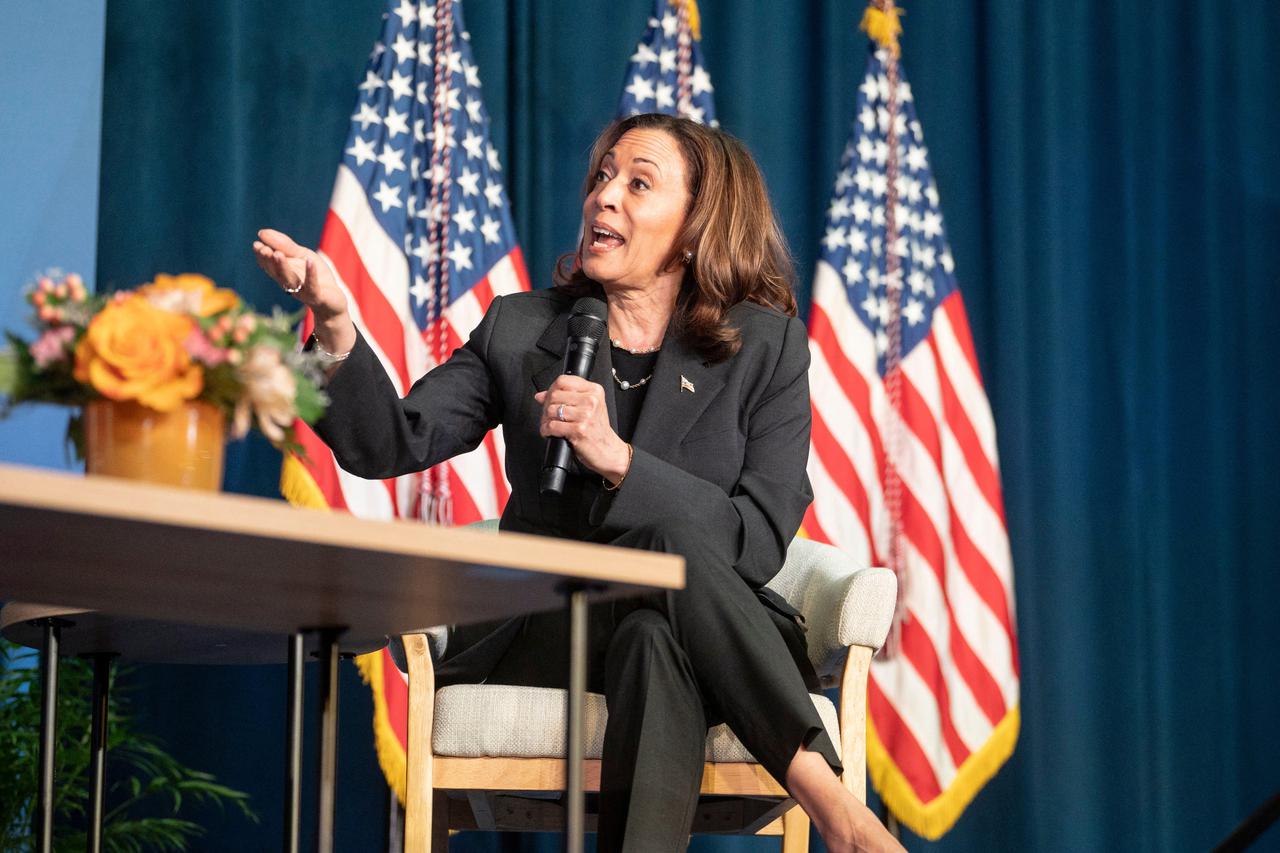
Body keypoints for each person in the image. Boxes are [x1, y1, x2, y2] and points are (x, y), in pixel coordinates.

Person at [253, 112, 904, 853]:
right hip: (548, 622)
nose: (604, 197)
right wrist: (336, 324)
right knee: (662, 567)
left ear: (697, 225)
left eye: (638, 183)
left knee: (655, 633)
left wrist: (619, 458)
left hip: (704, 627)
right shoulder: (523, 328)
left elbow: (755, 542)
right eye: (601, 177)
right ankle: (831, 798)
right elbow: (390, 440)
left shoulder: (765, 346)